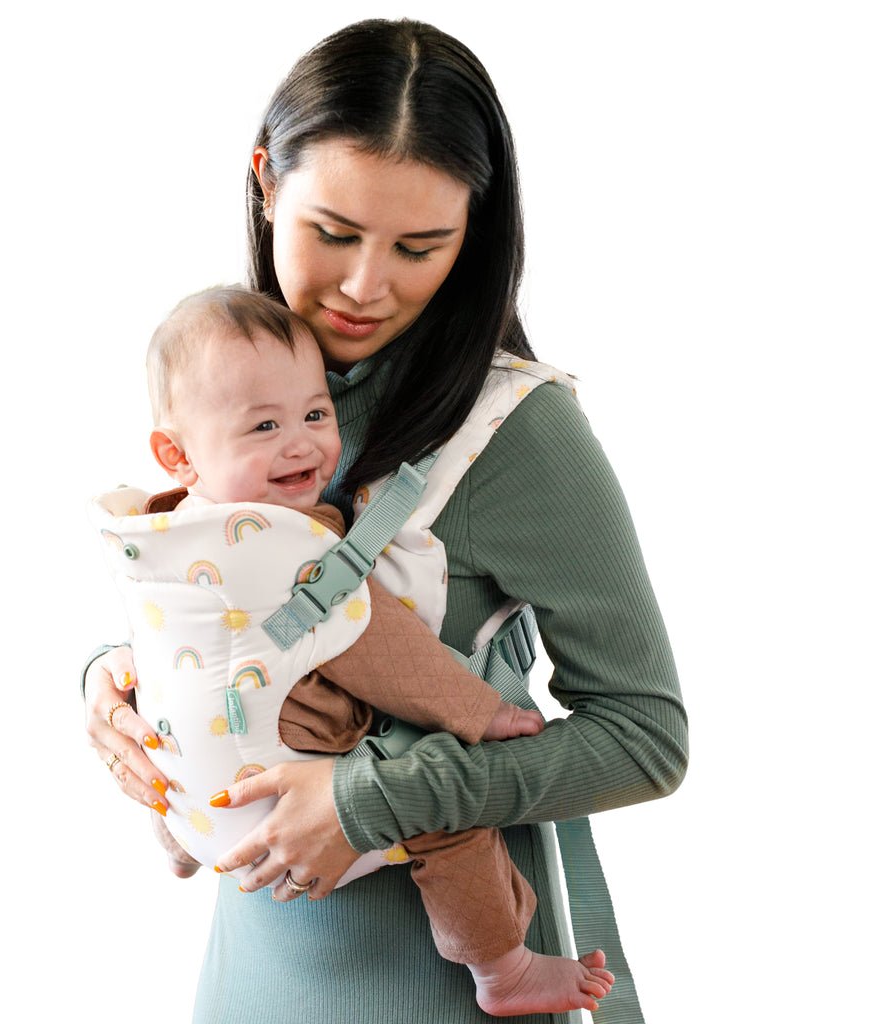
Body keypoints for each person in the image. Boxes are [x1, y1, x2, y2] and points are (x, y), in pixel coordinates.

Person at [84, 18, 687, 1024]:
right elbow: (217, 597)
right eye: (332, 233)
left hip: (447, 989)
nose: (366, 287)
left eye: (419, 247)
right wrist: (110, 687)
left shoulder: (517, 430)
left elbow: (645, 739)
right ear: (266, 184)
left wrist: (371, 797)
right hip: (250, 977)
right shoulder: (235, 380)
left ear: (473, 231)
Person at [93, 284, 614, 1015]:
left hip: (197, 810)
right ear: (176, 453)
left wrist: (104, 673)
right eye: (265, 426)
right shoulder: (282, 544)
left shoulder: (161, 528)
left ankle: (178, 845)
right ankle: (503, 968)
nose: (301, 444)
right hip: (280, 791)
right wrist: (481, 712)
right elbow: (374, 644)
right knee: (442, 803)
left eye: (315, 414)